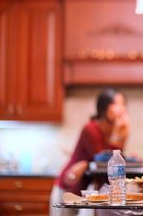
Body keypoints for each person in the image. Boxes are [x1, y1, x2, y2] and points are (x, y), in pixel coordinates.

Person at [50, 88, 130, 216]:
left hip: (83, 190)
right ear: (104, 107)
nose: (121, 109)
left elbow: (115, 159)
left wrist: (121, 135)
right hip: (68, 187)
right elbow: (103, 159)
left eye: (123, 104)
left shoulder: (116, 130)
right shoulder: (90, 129)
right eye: (116, 104)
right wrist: (117, 135)